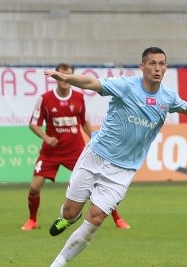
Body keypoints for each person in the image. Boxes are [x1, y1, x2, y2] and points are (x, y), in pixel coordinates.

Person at [43, 47, 187, 267]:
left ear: (166, 68)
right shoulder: (125, 86)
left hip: (122, 170)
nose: (157, 68)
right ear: (142, 66)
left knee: (95, 218)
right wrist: (67, 78)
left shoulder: (167, 98)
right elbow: (92, 83)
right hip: (96, 156)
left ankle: (55, 266)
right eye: (152, 63)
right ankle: (67, 217)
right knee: (71, 211)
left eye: (162, 64)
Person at [23, 62, 129, 231]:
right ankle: (32, 220)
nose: (65, 78)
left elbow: (84, 121)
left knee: (96, 184)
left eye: (69, 74)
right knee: (34, 187)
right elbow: (33, 124)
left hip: (75, 151)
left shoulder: (79, 97)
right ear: (56, 76)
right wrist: (46, 137)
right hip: (51, 152)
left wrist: (94, 137)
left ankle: (118, 219)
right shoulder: (45, 98)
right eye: (62, 74)